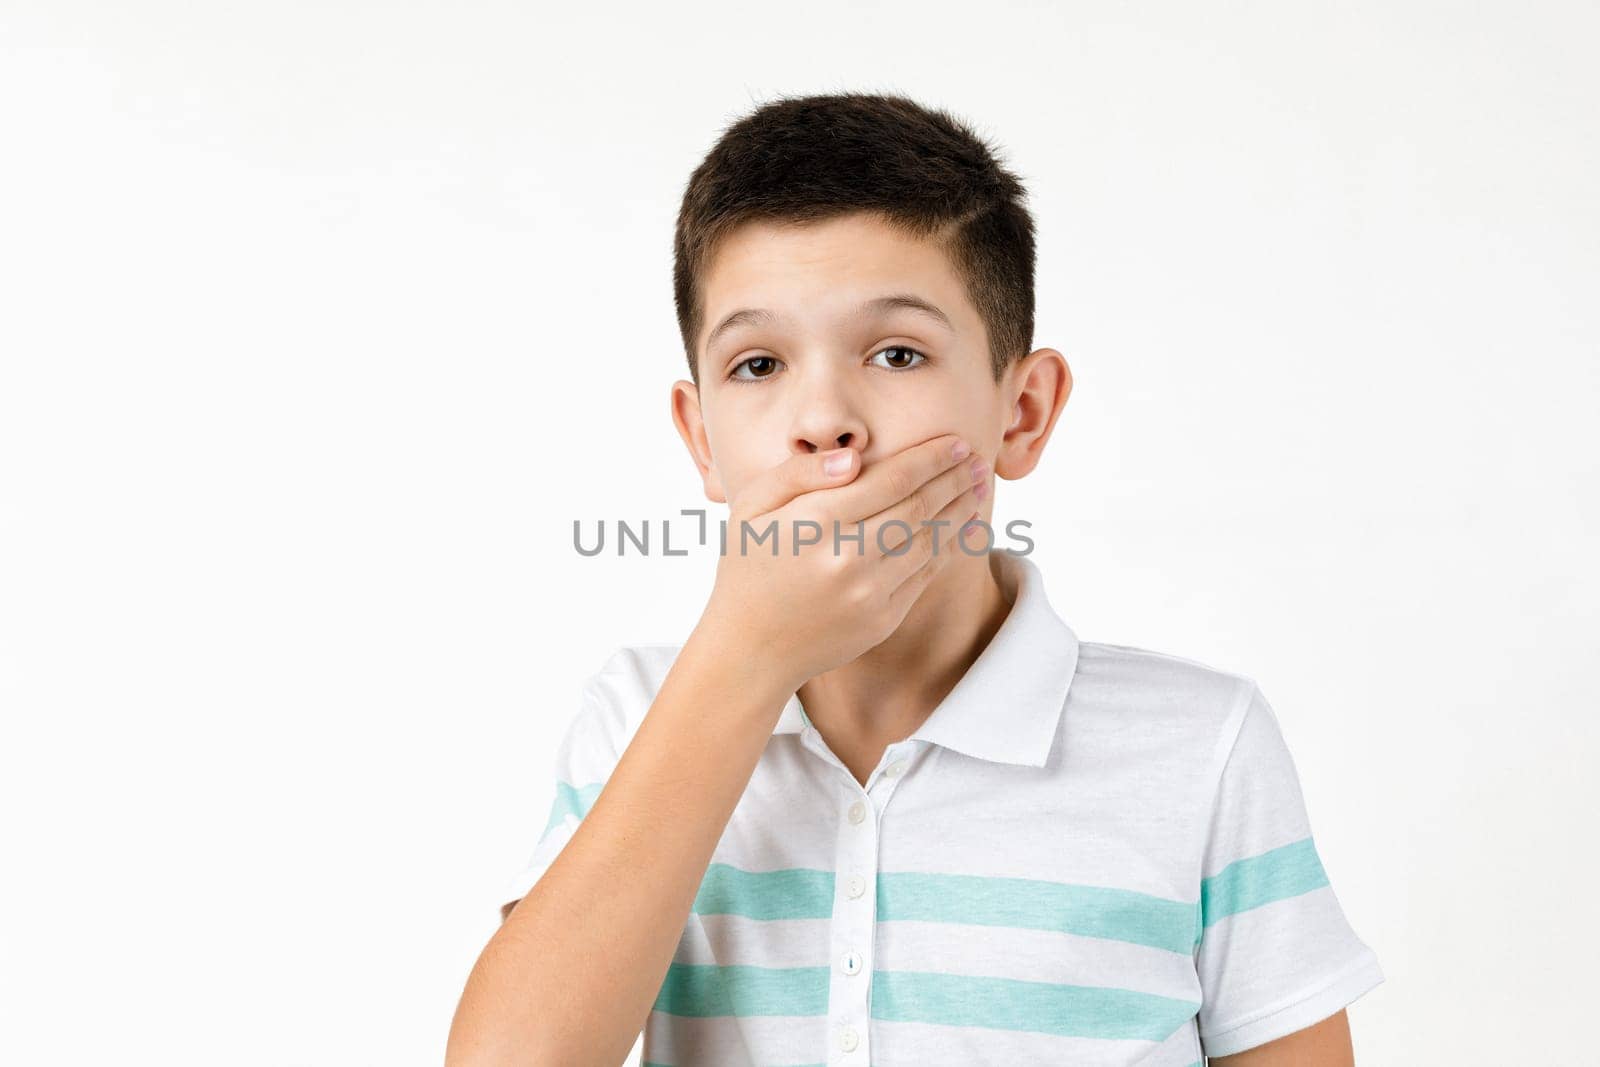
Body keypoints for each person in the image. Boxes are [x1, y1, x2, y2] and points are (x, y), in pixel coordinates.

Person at [447, 91, 1383, 1066]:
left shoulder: (1198, 744)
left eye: (896, 352)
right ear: (702, 440)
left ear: (1019, 412)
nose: (824, 418)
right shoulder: (640, 715)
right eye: (759, 362)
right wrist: (742, 657)